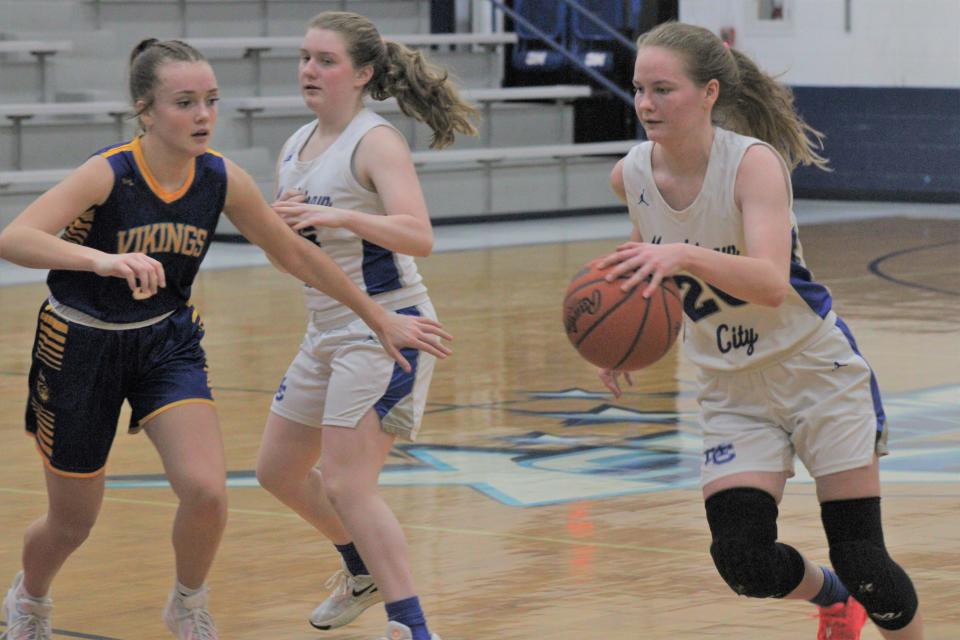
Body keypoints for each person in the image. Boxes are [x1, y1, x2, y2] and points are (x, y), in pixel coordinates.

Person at [0, 38, 451, 640]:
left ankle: (188, 603)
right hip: (78, 345)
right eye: (185, 102)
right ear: (147, 110)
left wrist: (377, 316)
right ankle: (30, 600)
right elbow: (15, 238)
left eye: (211, 100)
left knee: (208, 491)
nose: (203, 115)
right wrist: (101, 261)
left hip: (164, 342)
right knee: (71, 524)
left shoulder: (219, 177)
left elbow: (294, 253)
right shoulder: (109, 172)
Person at [596, 22, 924, 640]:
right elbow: (650, 278)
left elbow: (771, 281)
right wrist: (621, 340)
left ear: (710, 92)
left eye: (663, 89)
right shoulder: (631, 175)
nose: (645, 104)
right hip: (732, 390)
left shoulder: (752, 165)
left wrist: (682, 256)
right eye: (639, 88)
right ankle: (831, 597)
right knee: (742, 562)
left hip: (816, 372)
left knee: (866, 562)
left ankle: (864, 596)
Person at [253, 11, 476, 640]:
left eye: (325, 60)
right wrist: (277, 228)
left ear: (363, 73)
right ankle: (361, 570)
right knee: (276, 471)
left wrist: (348, 219)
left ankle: (411, 626)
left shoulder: (375, 142)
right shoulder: (295, 146)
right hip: (326, 327)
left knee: (351, 484)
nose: (309, 70)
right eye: (305, 57)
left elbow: (418, 235)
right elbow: (293, 256)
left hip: (390, 325)